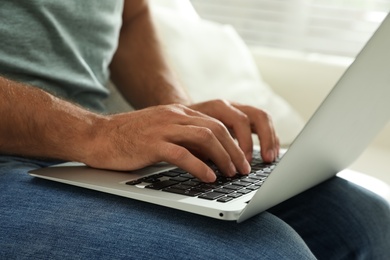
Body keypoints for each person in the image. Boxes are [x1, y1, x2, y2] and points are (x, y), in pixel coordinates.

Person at [0, 0, 389, 259]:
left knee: (366, 221)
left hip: (90, 151)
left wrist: (178, 114)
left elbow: (130, 15)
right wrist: (93, 133)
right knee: (269, 253)